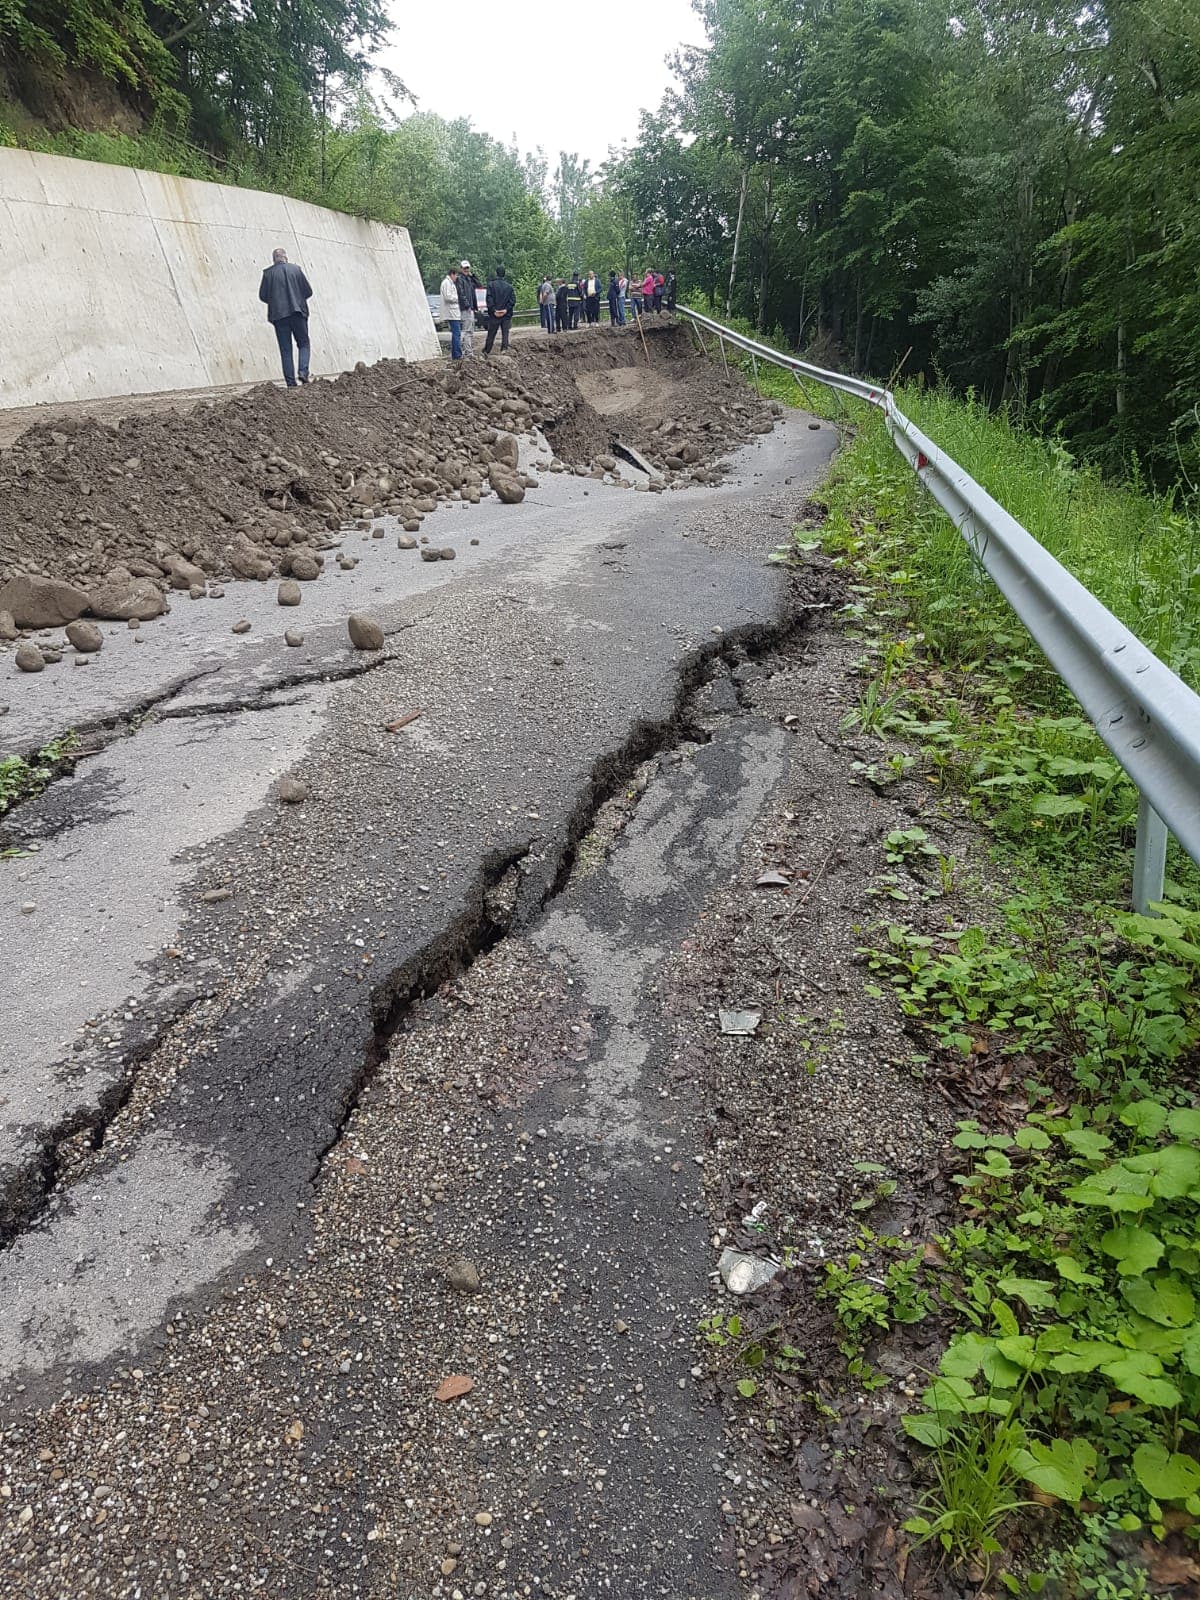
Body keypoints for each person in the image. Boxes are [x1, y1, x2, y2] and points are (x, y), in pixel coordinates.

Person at [259, 247, 313, 388]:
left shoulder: (267, 274)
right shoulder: (296, 270)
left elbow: (263, 296)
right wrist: (298, 299)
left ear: (274, 259)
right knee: (303, 344)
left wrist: (275, 302)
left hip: (279, 316)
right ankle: (303, 372)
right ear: (285, 257)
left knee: (285, 350)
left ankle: (290, 382)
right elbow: (308, 291)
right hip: (298, 313)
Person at [484, 264, 516, 354]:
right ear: (504, 274)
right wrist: (506, 309)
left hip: (494, 314)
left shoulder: (491, 285)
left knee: (491, 334)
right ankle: (504, 349)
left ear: (496, 273)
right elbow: (513, 300)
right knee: (505, 333)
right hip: (506, 314)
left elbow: (489, 299)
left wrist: (493, 310)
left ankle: (487, 351)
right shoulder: (509, 287)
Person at [440, 264, 463, 360]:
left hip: (454, 312)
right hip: (452, 312)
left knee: (456, 333)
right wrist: (458, 299)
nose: (457, 277)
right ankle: (457, 354)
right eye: (456, 275)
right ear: (452, 274)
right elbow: (448, 297)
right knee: (456, 333)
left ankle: (456, 354)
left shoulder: (450, 283)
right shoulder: (446, 283)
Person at [456, 261, 478, 357]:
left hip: (470, 308)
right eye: (464, 268)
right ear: (461, 268)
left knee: (470, 331)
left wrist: (473, 276)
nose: (466, 270)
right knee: (468, 330)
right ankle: (468, 352)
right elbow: (461, 294)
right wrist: (467, 305)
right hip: (466, 309)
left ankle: (467, 351)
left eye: (467, 268)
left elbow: (479, 284)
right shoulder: (460, 279)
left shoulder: (469, 279)